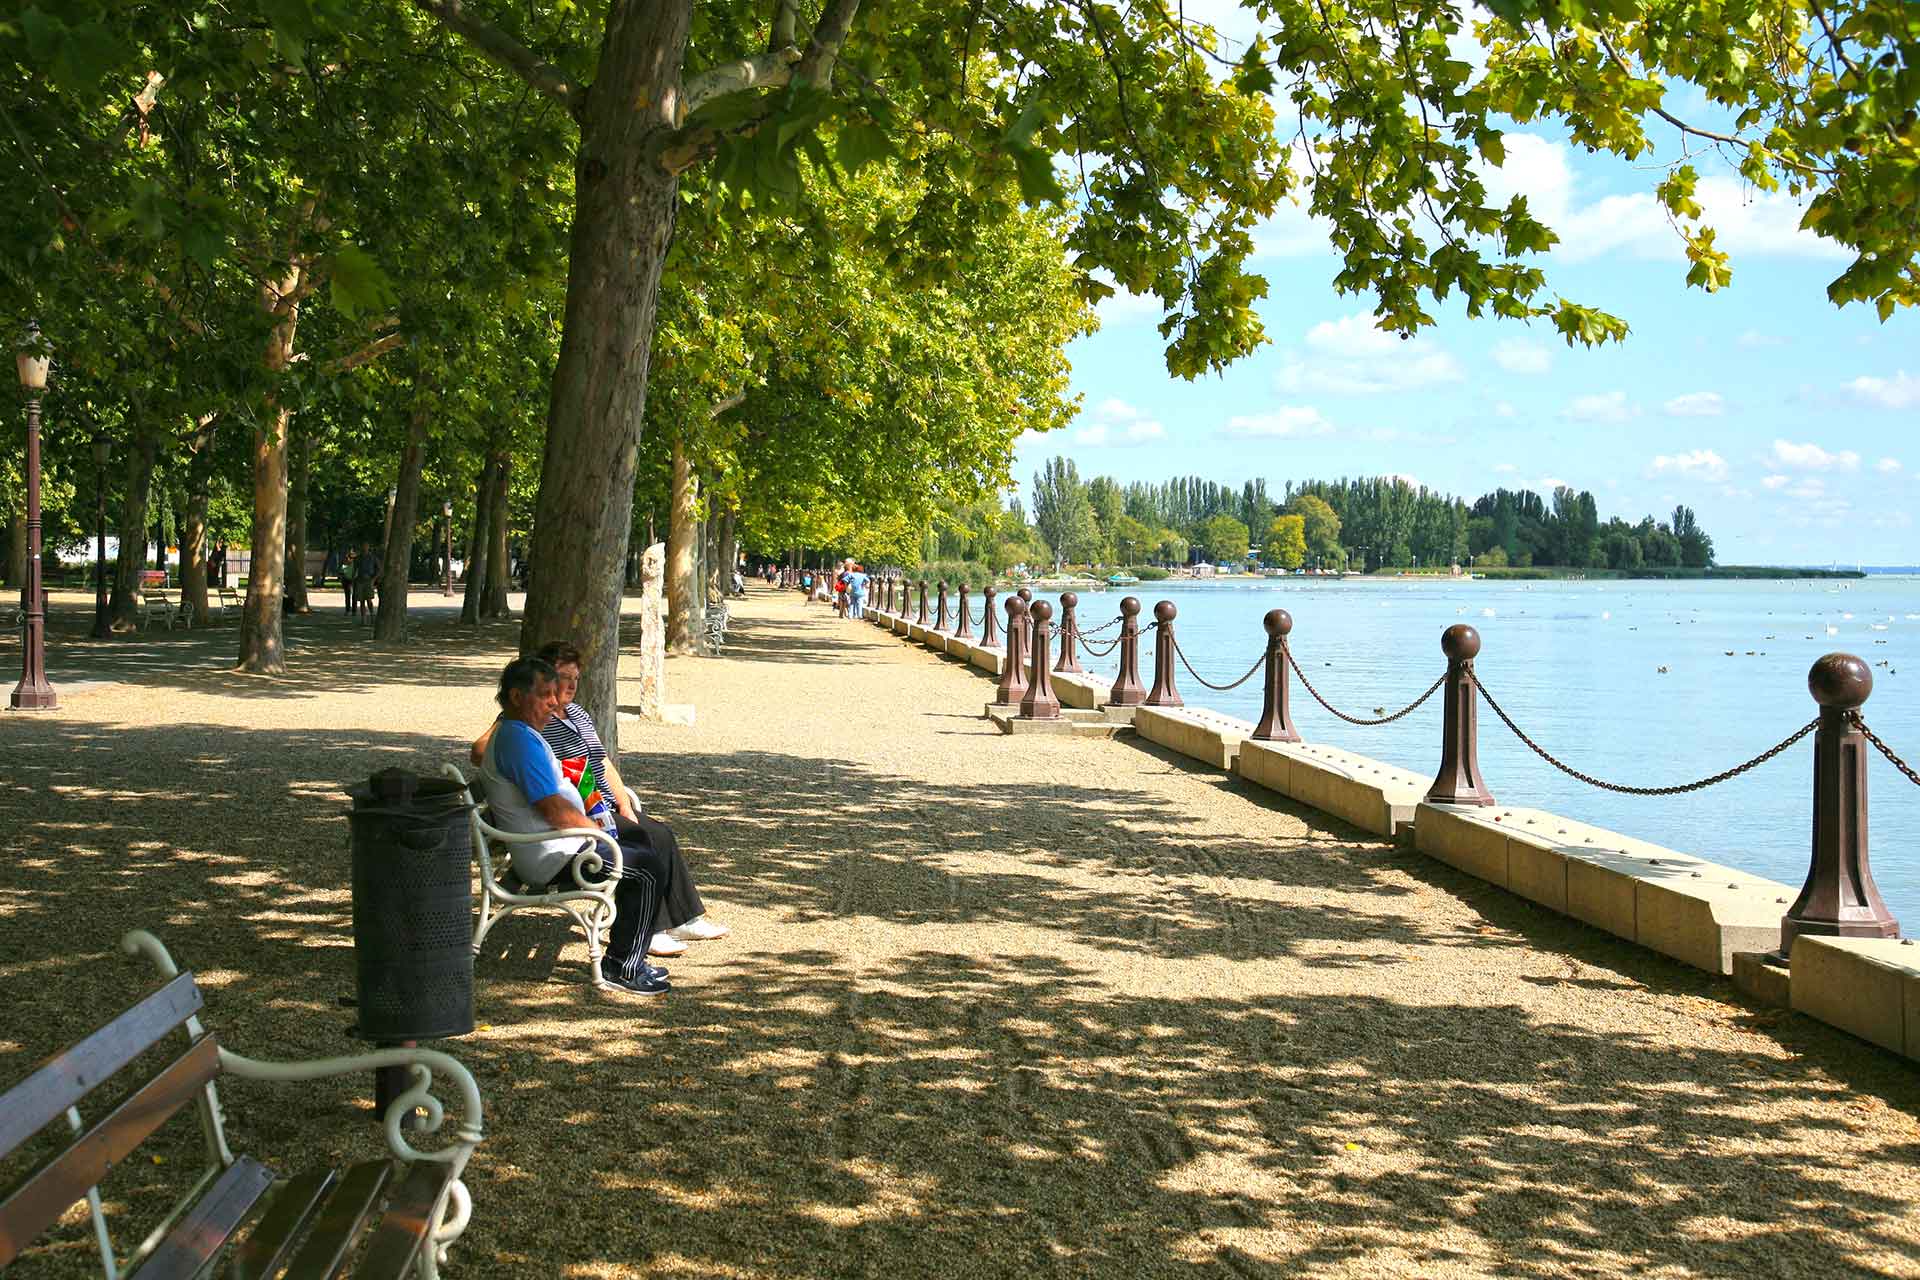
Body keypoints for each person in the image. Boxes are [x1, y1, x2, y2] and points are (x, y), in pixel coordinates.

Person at [473, 641, 728, 959]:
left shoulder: (573, 715)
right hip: (571, 827)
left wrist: (623, 804)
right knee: (647, 850)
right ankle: (643, 939)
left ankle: (678, 920)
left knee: (657, 834)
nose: (565, 689)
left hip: (587, 813)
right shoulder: (519, 731)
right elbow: (489, 754)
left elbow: (602, 761)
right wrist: (594, 825)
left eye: (574, 679)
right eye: (559, 680)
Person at [475, 656, 674, 996]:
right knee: (645, 868)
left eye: (556, 693)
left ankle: (629, 957)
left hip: (557, 844)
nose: (554, 702)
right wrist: (598, 832)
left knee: (641, 845)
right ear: (517, 697)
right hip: (551, 855)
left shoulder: (520, 733)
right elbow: (554, 811)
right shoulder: (518, 741)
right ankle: (622, 968)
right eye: (545, 694)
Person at [353, 543, 380, 622]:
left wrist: (374, 579)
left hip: (369, 580)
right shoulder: (358, 558)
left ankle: (372, 615)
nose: (364, 548)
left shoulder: (373, 557)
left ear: (368, 547)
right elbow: (354, 570)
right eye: (363, 546)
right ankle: (363, 618)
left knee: (369, 599)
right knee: (361, 600)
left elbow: (378, 569)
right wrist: (353, 579)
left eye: (366, 546)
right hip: (360, 581)